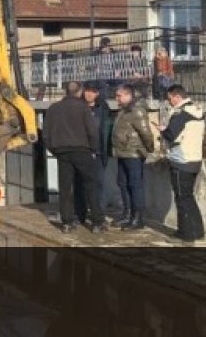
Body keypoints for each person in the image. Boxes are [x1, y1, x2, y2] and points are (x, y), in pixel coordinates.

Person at [44, 81, 106, 233]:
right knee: (91, 185)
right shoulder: (83, 108)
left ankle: (67, 222)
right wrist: (94, 149)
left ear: (66, 91)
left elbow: (45, 135)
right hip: (82, 151)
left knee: (65, 188)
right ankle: (97, 222)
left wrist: (55, 151)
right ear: (79, 92)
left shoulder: (53, 109)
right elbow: (92, 132)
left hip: (62, 152)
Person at [161, 84, 205, 242]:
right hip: (195, 159)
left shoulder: (181, 114)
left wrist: (162, 130)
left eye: (170, 99)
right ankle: (198, 231)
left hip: (181, 160)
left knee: (182, 198)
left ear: (177, 97)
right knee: (188, 197)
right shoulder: (197, 110)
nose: (169, 102)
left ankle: (186, 235)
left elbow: (171, 134)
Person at [112, 84, 154, 229]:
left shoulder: (137, 110)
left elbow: (146, 132)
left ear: (128, 95)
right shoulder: (123, 110)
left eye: (119, 95)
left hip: (134, 152)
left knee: (135, 185)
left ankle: (138, 218)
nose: (117, 98)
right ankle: (128, 213)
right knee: (122, 183)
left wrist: (149, 148)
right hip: (122, 151)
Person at [74, 82, 111, 225]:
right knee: (80, 184)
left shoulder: (103, 108)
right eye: (86, 91)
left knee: (98, 184)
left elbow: (106, 130)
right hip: (82, 151)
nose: (88, 94)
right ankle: (80, 213)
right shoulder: (78, 107)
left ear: (97, 94)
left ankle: (98, 214)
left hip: (99, 152)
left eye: (92, 92)